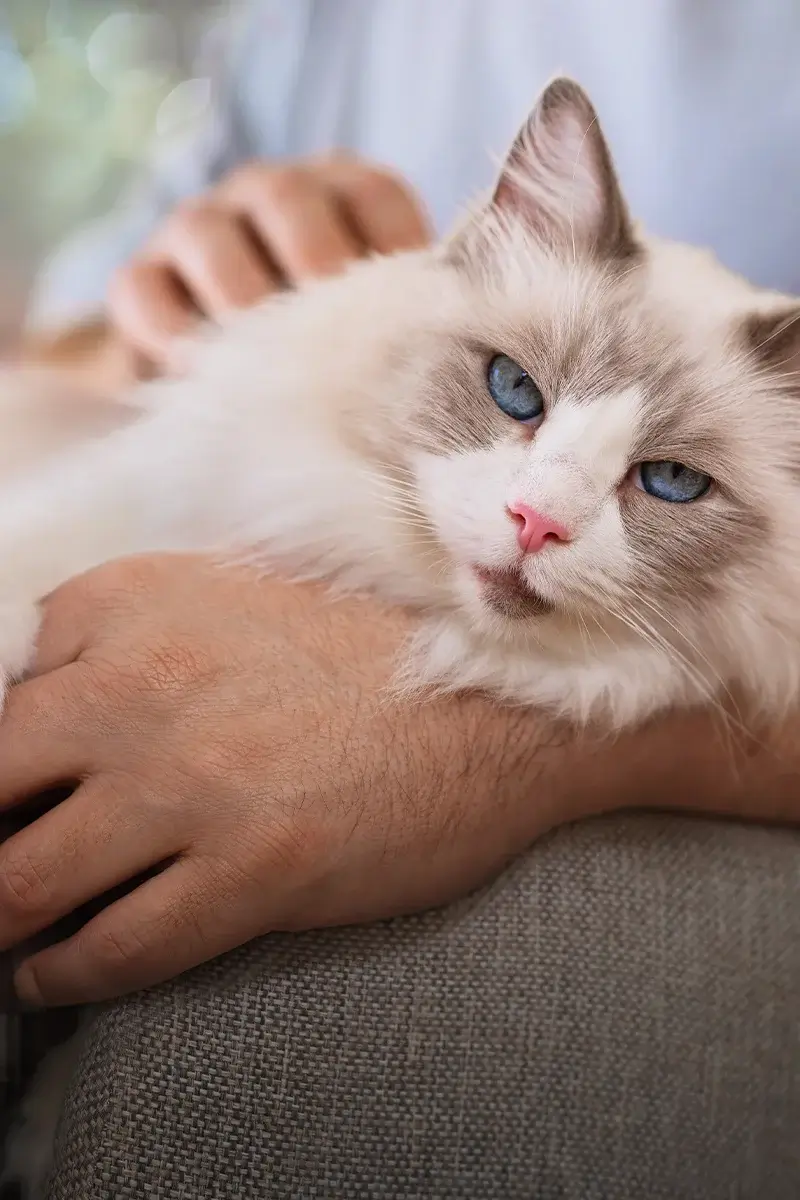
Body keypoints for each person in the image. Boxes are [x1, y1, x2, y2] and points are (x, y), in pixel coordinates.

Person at [5, 0, 800, 1012]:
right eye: (515, 391)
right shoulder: (313, 23)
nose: (539, 514)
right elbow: (62, 358)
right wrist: (160, 312)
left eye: (672, 479)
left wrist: (500, 742)